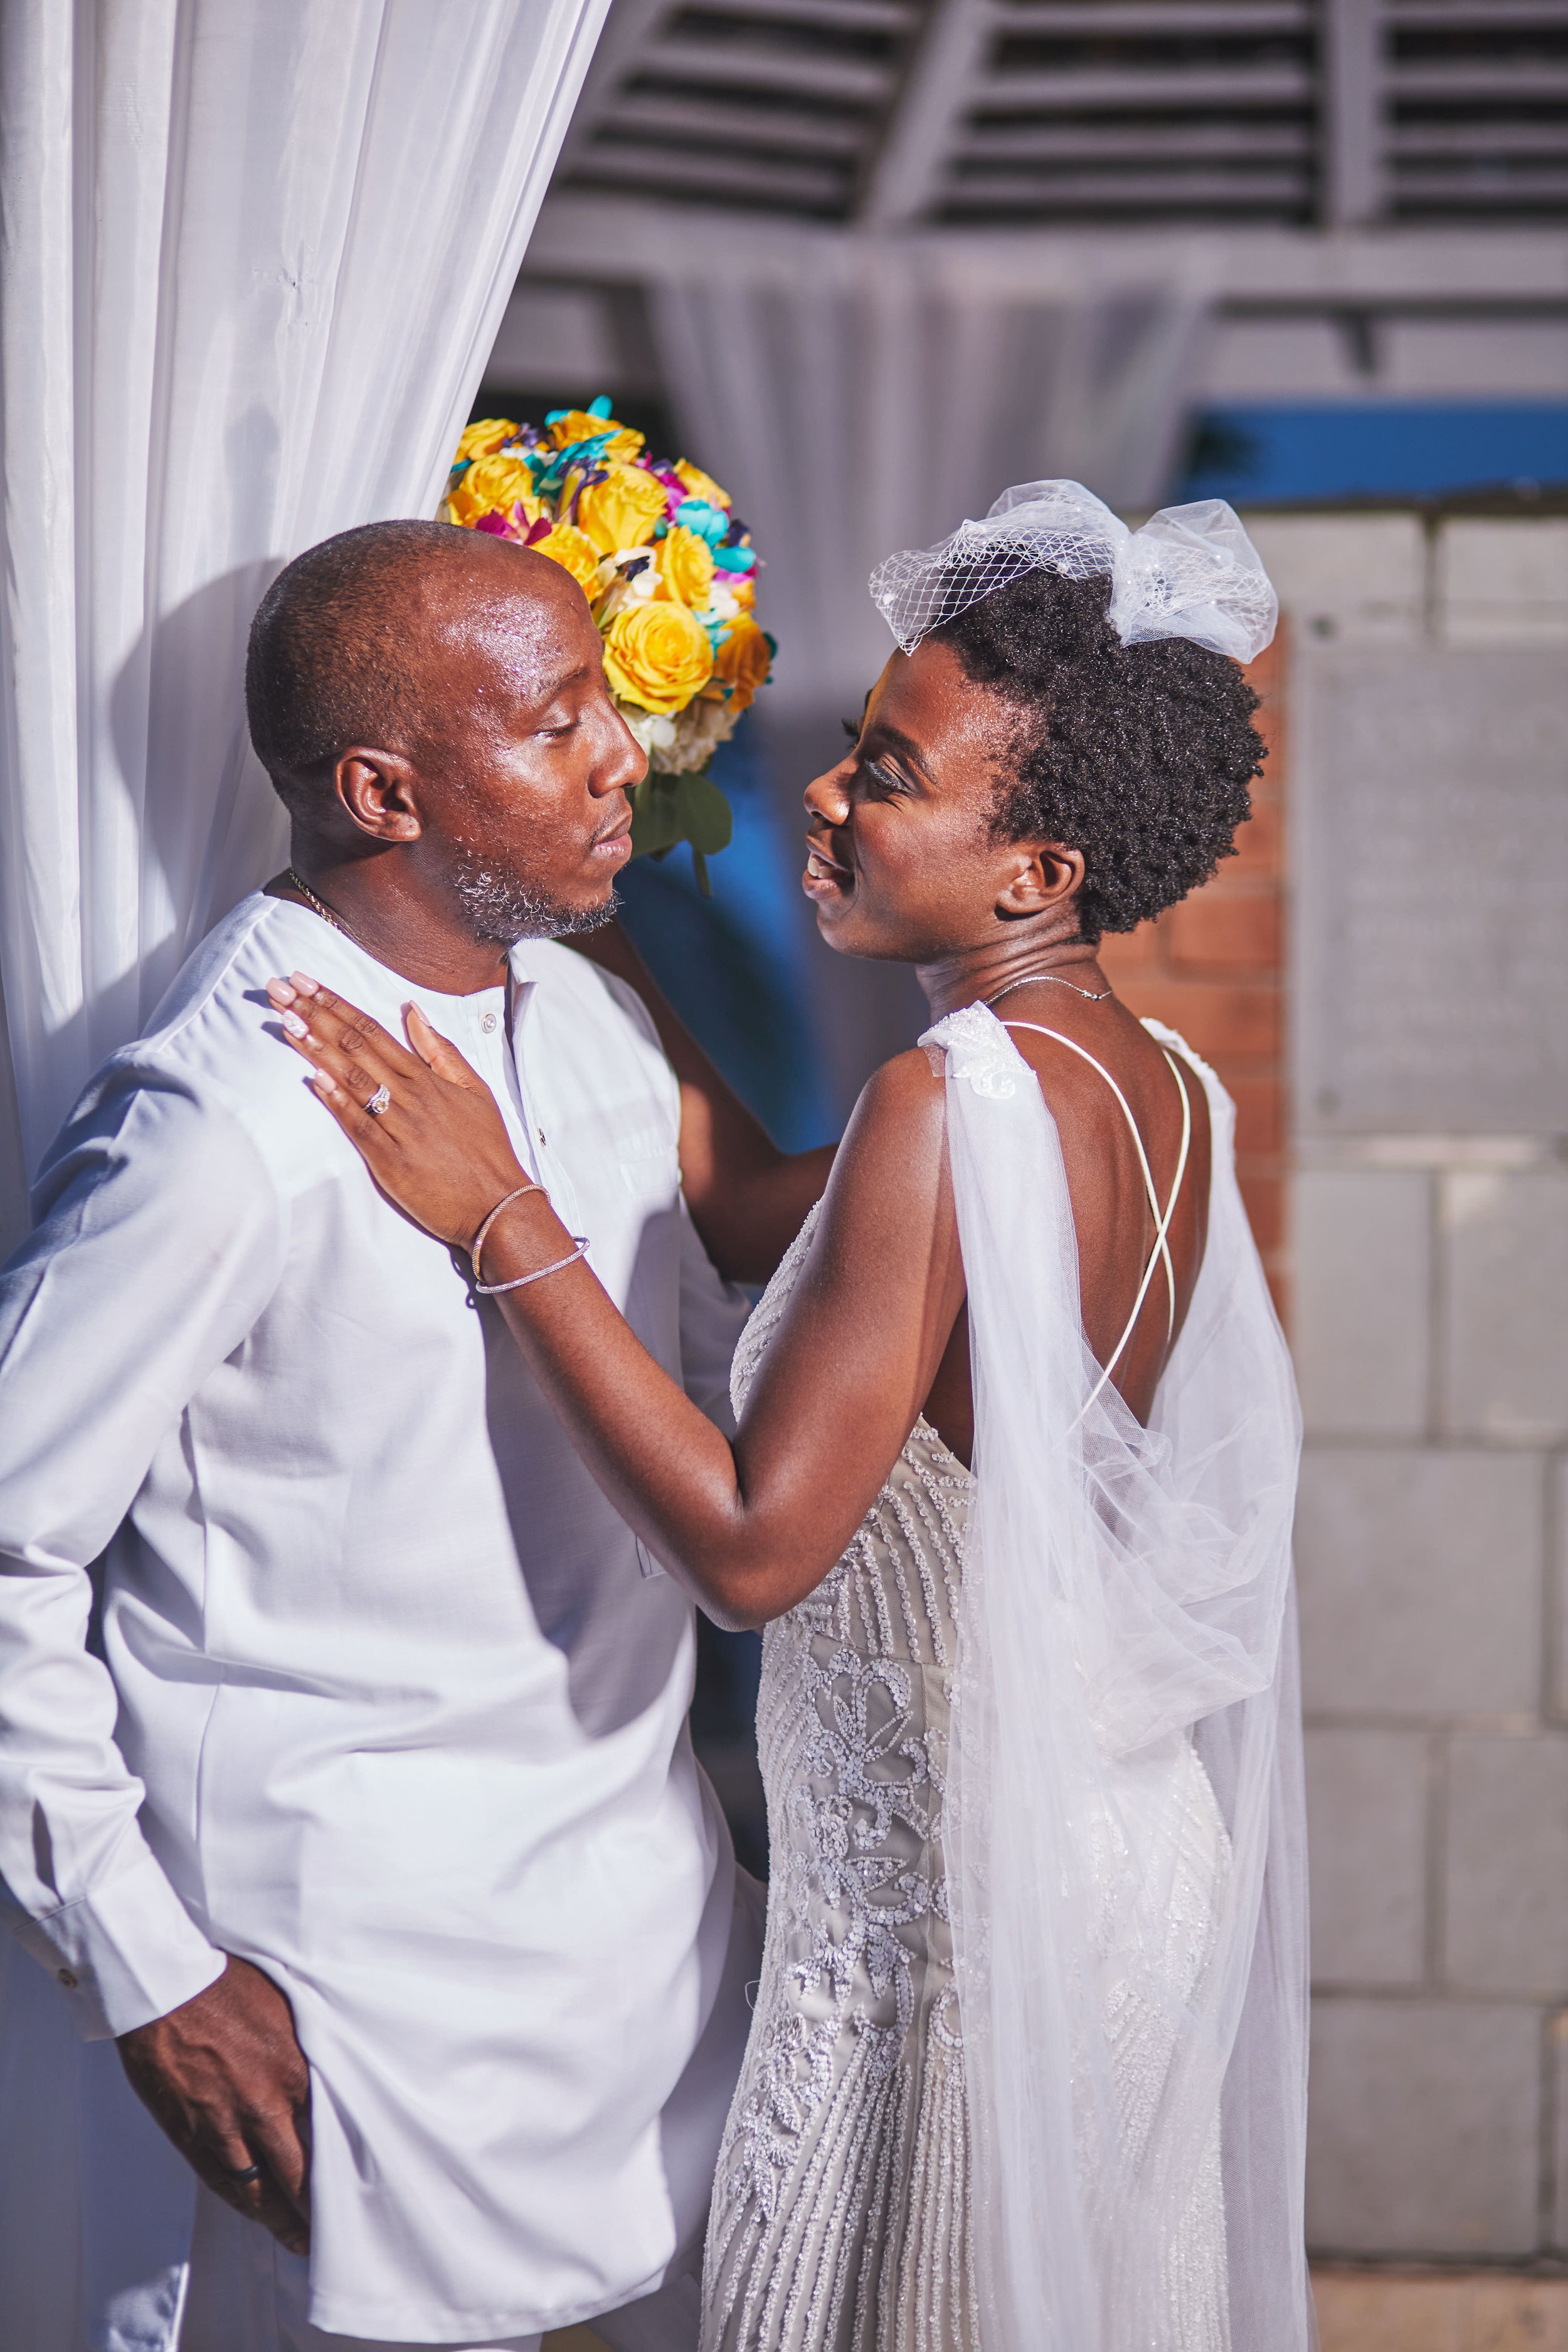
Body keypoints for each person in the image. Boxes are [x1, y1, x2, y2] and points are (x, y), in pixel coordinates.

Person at [272, 484, 1312, 2352]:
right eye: (849, 747)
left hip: (960, 1913)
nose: (827, 795)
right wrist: (598, 972)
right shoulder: (1145, 1083)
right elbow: (771, 1217)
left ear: (1032, 875)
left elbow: (756, 1554)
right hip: (1115, 1856)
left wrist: (495, 1214)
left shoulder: (949, 1096)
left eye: (889, 774)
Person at [0, 519, 829, 2352]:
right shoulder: (219, 1123)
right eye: (554, 722)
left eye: (605, 702)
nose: (622, 752)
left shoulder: (596, 1022)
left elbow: (704, 1404)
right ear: (383, 787)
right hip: (338, 1969)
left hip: (640, 1921)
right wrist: (147, 1969)